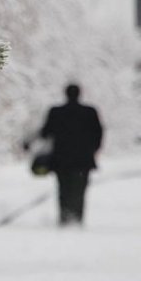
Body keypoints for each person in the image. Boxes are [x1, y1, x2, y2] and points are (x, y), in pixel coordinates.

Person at [31, 84, 103, 226]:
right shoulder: (89, 112)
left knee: (63, 188)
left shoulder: (56, 112)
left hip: (61, 159)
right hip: (83, 160)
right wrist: (92, 150)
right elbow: (98, 134)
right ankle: (77, 218)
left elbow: (46, 132)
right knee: (80, 190)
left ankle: (64, 217)